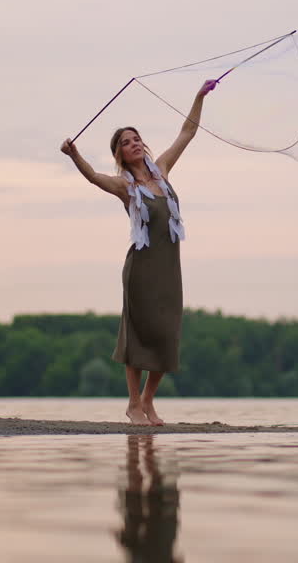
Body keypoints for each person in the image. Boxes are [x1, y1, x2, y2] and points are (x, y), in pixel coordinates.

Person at [60, 79, 216, 426]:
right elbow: (92, 176)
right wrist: (74, 155)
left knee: (166, 332)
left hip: (168, 267)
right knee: (139, 333)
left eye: (135, 139)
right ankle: (133, 404)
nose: (133, 145)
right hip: (141, 268)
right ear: (120, 154)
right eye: (125, 143)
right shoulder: (124, 187)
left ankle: (148, 400)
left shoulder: (162, 171)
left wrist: (198, 96)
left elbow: (187, 133)